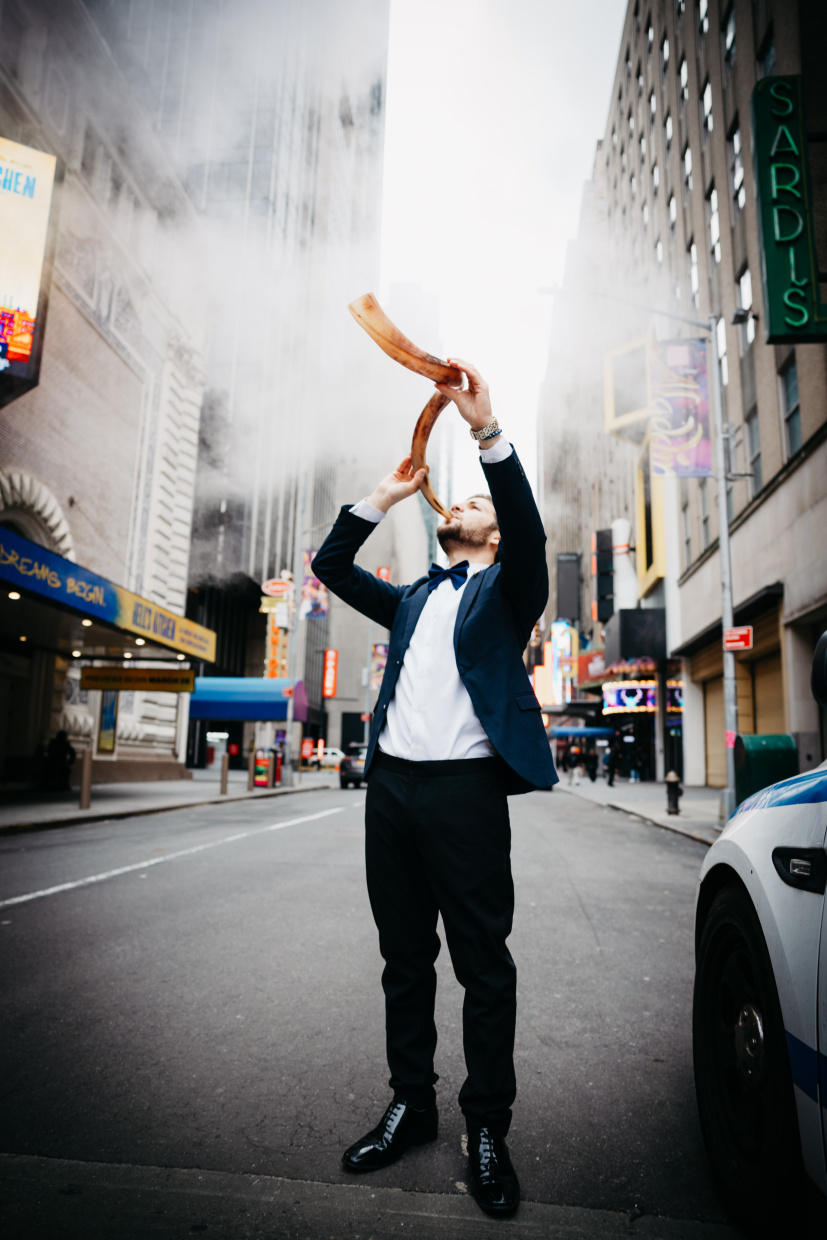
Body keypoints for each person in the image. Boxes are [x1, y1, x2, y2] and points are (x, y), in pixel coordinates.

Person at [312, 359, 556, 1219]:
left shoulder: (508, 588)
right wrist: (382, 495)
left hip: (463, 796)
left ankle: (485, 1125)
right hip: (393, 795)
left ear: (490, 539)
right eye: (459, 501)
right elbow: (331, 567)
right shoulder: (414, 599)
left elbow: (524, 529)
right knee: (403, 960)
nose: (465, 506)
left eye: (477, 508)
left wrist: (486, 433)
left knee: (483, 968)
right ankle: (411, 1104)